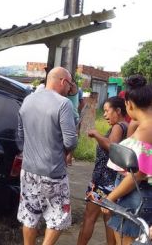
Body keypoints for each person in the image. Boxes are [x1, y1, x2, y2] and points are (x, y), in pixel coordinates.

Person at [17, 67, 78, 245]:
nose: (69, 89)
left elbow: (20, 138)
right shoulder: (63, 104)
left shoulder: (28, 100)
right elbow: (71, 142)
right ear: (63, 81)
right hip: (53, 173)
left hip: (28, 170)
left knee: (29, 214)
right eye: (70, 85)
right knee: (58, 218)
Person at [105, 75, 152, 245]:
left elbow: (139, 174)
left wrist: (110, 198)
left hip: (135, 198)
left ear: (129, 104)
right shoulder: (142, 127)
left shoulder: (147, 131)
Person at [77, 96, 128, 245]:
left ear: (118, 110)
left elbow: (111, 147)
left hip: (102, 183)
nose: (104, 115)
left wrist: (97, 134)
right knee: (110, 222)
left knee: (89, 217)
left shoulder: (119, 126)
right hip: (113, 183)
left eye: (107, 111)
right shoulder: (125, 126)